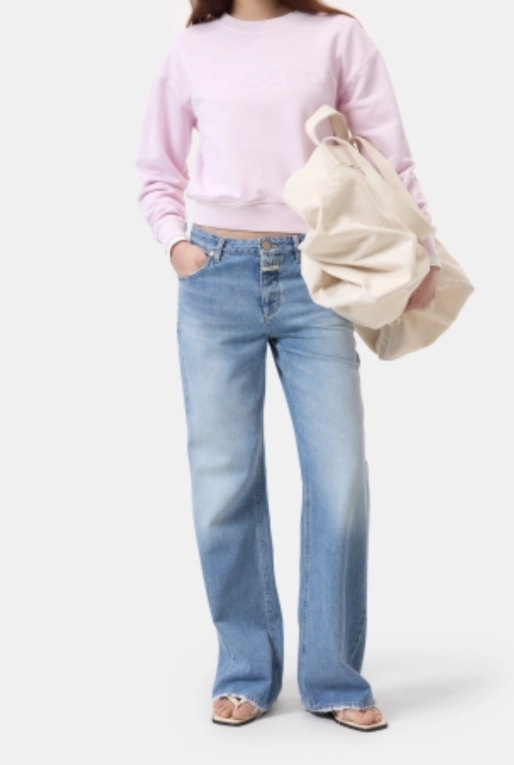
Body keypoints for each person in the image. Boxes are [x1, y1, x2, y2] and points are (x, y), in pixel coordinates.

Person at [135, 0, 440, 732]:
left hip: (319, 273)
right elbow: (155, 169)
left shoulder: (337, 37)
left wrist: (423, 248)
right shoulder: (193, 49)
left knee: (339, 479)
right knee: (222, 482)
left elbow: (388, 155)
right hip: (215, 276)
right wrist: (177, 243)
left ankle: (333, 676)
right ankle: (246, 669)